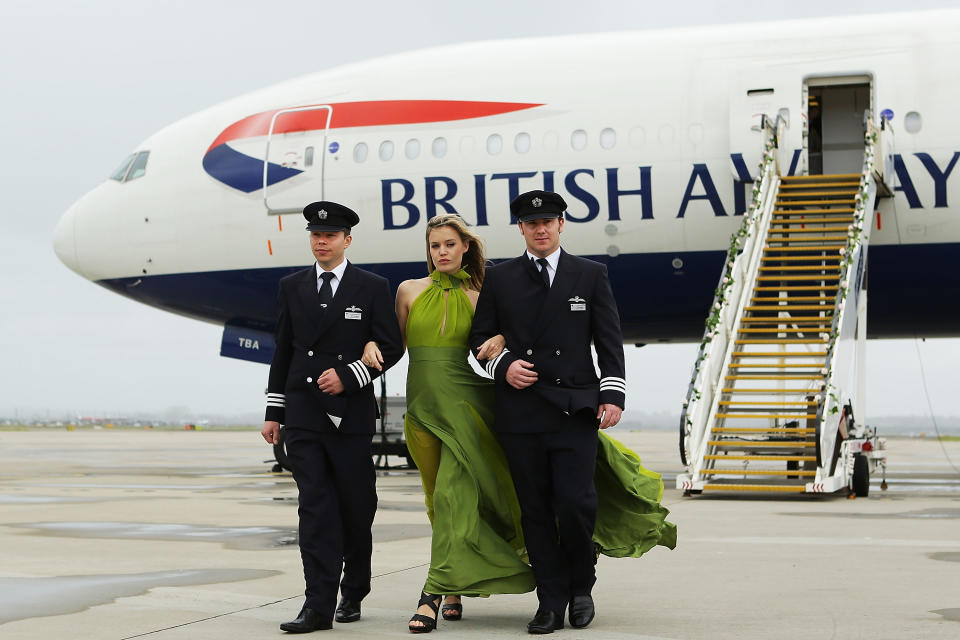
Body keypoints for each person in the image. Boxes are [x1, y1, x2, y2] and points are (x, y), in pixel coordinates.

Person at [364, 211, 675, 635]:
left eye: (450, 244)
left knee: (555, 505)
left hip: (520, 408)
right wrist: (365, 348)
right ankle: (508, 594)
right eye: (435, 245)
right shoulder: (437, 288)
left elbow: (593, 336)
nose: (441, 252)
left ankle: (567, 590)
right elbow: (412, 344)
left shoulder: (569, 276)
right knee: (466, 505)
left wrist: (611, 393)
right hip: (456, 410)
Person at [469, 190, 676, 634]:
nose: (540, 229)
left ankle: (581, 588)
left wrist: (613, 395)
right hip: (522, 412)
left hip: (574, 409)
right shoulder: (500, 279)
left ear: (561, 225)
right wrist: (503, 367)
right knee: (536, 509)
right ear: (520, 229)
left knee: (576, 504)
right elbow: (479, 339)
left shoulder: (590, 274)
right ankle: (550, 599)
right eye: (531, 223)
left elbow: (607, 339)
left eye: (548, 222)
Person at [261, 201, 403, 633]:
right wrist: (274, 411)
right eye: (315, 235)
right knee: (315, 510)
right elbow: (283, 350)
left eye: (329, 235)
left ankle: (354, 588)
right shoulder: (291, 286)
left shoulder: (372, 287)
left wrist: (349, 375)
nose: (321, 241)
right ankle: (317, 605)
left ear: (347, 239)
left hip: (350, 417)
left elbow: (391, 347)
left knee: (356, 510)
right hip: (304, 416)